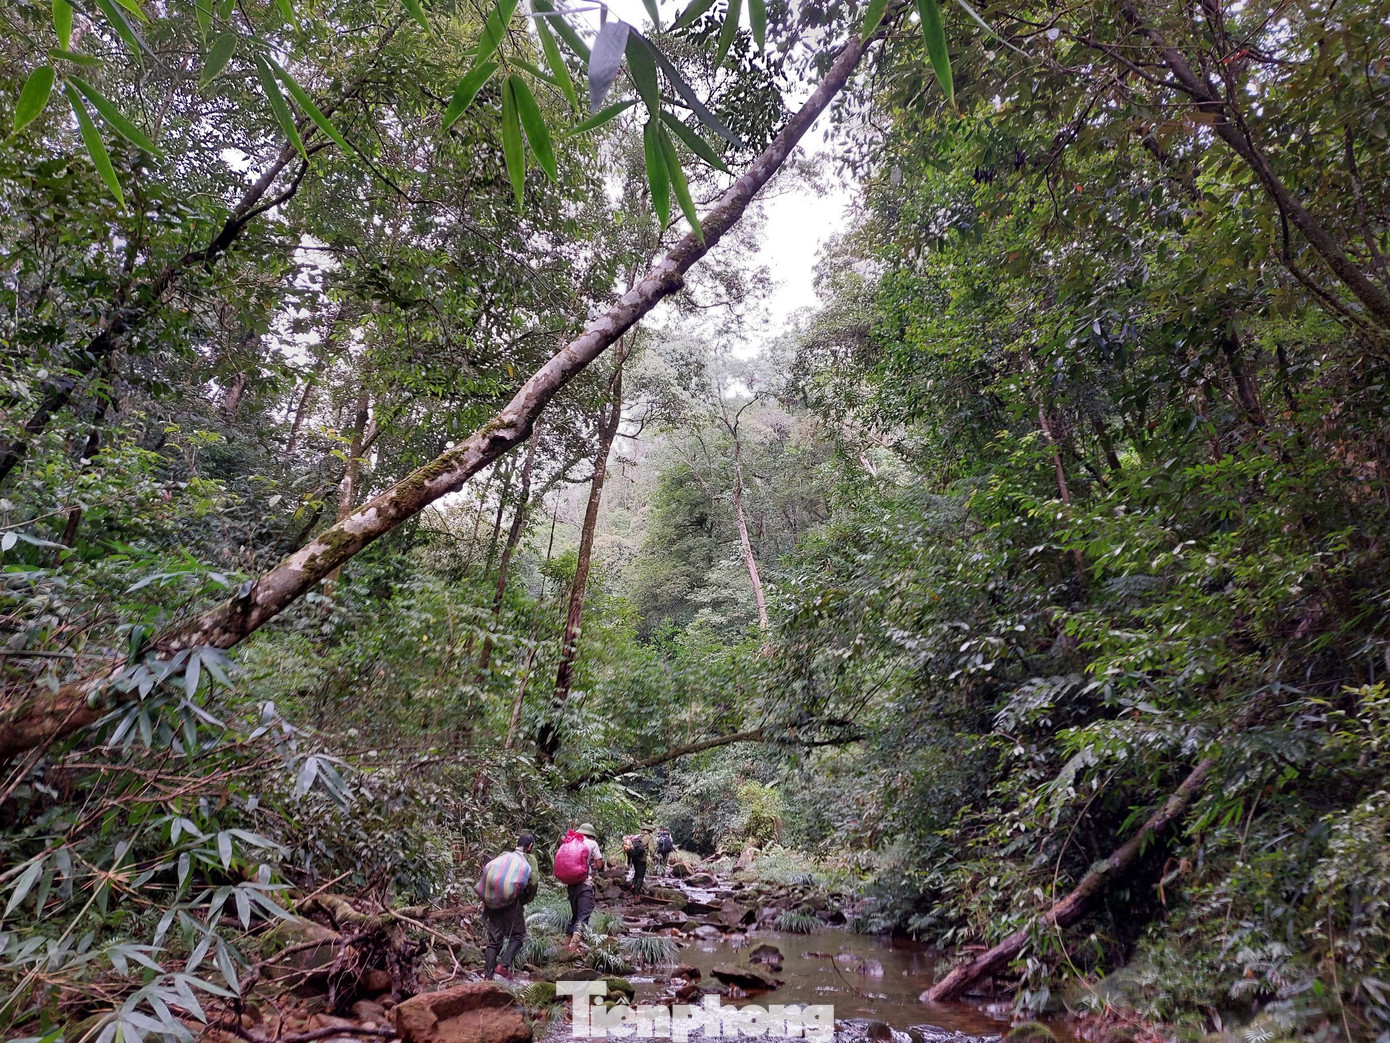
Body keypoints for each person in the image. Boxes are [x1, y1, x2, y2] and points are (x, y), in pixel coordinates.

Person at [478, 832, 538, 980]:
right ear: (530, 846)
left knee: (494, 940)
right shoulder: (529, 860)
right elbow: (534, 882)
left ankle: (487, 976)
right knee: (518, 935)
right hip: (512, 903)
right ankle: (503, 966)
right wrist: (525, 900)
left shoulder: (503, 855)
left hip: (492, 902)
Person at [560, 822, 603, 950]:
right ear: (591, 835)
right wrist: (589, 866)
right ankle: (573, 945)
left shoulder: (569, 842)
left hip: (571, 884)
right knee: (583, 914)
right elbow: (599, 864)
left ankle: (566, 941)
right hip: (585, 884)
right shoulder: (592, 844)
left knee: (575, 914)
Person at [625, 830, 649, 894]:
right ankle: (636, 893)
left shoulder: (634, 840)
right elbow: (651, 849)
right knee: (640, 876)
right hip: (642, 860)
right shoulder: (648, 837)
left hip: (635, 860)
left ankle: (633, 885)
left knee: (637, 873)